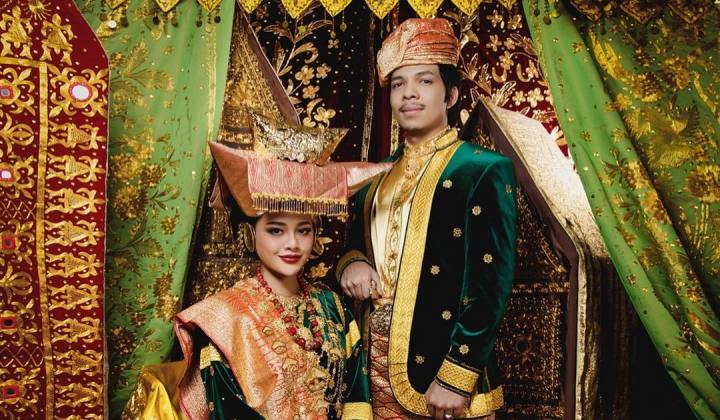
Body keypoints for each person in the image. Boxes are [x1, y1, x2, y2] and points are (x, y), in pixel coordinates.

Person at [122, 112, 390, 420]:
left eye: (303, 230)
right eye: (275, 230)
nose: (292, 243)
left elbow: (357, 400)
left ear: (316, 236)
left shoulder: (334, 309)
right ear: (250, 235)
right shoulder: (226, 319)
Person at [337, 18, 518, 420]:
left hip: (443, 368)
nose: (409, 93)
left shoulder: (483, 170)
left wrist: (458, 374)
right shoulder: (374, 177)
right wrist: (353, 263)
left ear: (450, 94)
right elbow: (352, 246)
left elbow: (491, 280)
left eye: (424, 81)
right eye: (398, 84)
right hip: (371, 365)